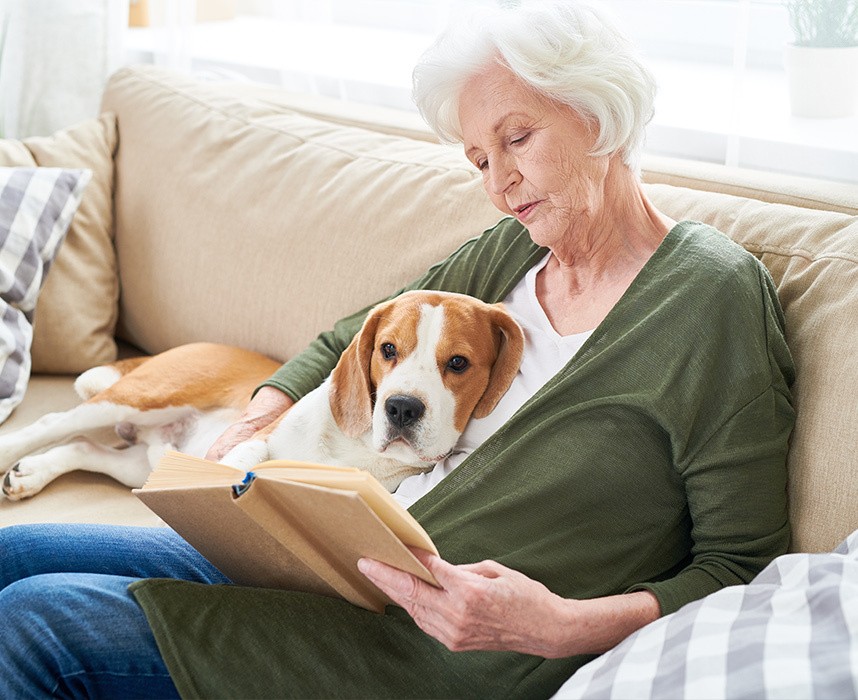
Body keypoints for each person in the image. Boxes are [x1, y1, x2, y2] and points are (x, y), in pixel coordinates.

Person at [0, 1, 795, 697]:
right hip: (327, 567)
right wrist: (256, 418)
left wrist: (559, 625)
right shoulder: (511, 255)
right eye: (481, 159)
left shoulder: (710, 298)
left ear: (602, 112)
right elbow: (355, 334)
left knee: (33, 621)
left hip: (431, 654)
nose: (501, 183)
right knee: (14, 557)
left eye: (518, 137)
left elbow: (743, 566)